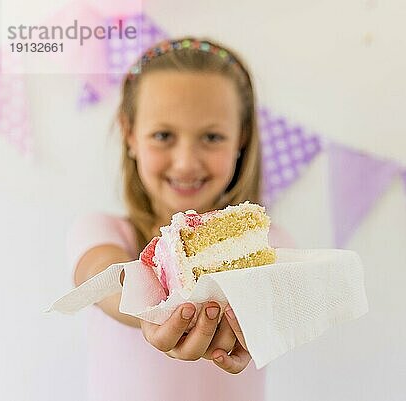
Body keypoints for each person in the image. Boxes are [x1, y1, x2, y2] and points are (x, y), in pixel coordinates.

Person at [68, 36, 293, 401]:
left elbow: (278, 299)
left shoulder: (270, 243)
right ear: (130, 133)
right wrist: (152, 312)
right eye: (163, 135)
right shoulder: (102, 231)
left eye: (212, 136)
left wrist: (253, 320)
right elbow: (101, 277)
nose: (186, 162)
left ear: (242, 138)